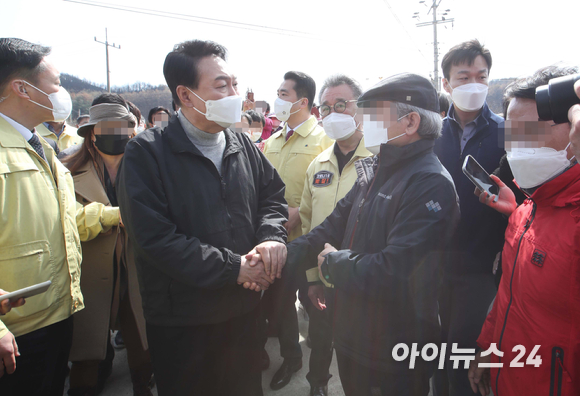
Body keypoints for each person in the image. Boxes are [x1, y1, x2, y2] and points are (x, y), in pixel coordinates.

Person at [116, 39, 288, 396]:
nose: (235, 93)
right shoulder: (147, 153)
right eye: (222, 85)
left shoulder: (241, 145)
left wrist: (271, 237)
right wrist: (235, 268)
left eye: (235, 83)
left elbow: (272, 196)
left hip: (244, 311)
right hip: (184, 321)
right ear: (186, 95)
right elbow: (155, 239)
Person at [285, 73, 459, 396]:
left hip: (396, 347)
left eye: (373, 114)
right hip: (354, 336)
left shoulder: (430, 183)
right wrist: (279, 259)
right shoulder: (378, 167)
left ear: (409, 122)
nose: (364, 123)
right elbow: (332, 225)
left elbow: (395, 270)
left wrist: (332, 264)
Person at [468, 65, 580, 396]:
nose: (518, 146)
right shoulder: (525, 211)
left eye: (531, 130)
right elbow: (508, 296)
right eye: (513, 134)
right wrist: (488, 347)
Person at [0, 37, 84, 396]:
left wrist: (119, 214)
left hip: (55, 313)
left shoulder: (39, 145)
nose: (62, 93)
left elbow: (65, 218)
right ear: (22, 87)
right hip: (15, 332)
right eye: (57, 83)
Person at [64, 96, 153, 396]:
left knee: (141, 338)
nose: (117, 134)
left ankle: (144, 382)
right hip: (91, 270)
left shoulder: (148, 165)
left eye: (124, 128)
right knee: (88, 348)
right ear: (92, 132)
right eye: (108, 128)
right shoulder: (66, 169)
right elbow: (65, 223)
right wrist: (115, 216)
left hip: (137, 266)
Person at [432, 39, 507, 396]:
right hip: (431, 266)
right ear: (446, 83)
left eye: (482, 76)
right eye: (464, 77)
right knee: (434, 353)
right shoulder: (430, 133)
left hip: (480, 267)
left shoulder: (510, 132)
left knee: (464, 357)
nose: (474, 84)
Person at [299, 74, 372, 396]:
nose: (333, 113)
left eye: (341, 105)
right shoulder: (318, 165)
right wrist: (312, 278)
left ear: (362, 108)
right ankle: (318, 385)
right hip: (324, 279)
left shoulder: (379, 160)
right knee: (320, 338)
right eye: (326, 108)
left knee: (361, 352)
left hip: (365, 281)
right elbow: (306, 223)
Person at [262, 71, 333, 391]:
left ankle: (320, 374)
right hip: (276, 241)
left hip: (312, 242)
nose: (277, 99)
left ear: (303, 101)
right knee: (280, 306)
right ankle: (291, 358)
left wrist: (297, 214)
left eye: (283, 94)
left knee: (316, 308)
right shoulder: (271, 141)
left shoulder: (324, 139)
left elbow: (331, 193)